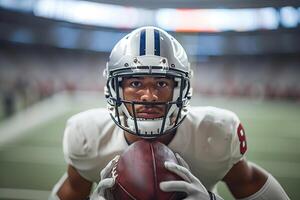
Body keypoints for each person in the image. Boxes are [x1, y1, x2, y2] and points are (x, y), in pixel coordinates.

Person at [49, 26, 290, 200]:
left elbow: (249, 183)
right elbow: (72, 190)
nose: (149, 96)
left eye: (162, 84)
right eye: (135, 84)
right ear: (114, 87)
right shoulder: (87, 136)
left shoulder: (216, 132)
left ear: (180, 88)